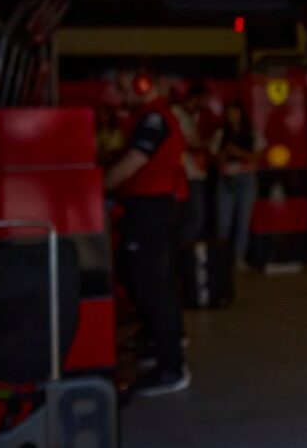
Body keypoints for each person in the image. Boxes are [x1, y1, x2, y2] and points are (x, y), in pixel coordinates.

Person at [104, 69, 191, 396]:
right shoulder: (147, 116)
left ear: (142, 86)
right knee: (148, 279)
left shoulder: (154, 119)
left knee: (152, 283)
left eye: (124, 86)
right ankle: (162, 345)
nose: (118, 92)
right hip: (151, 208)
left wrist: (97, 187)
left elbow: (134, 162)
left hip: (150, 209)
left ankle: (172, 367)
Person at [212, 99, 264, 272]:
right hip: (227, 178)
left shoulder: (253, 133)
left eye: (236, 112)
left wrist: (237, 152)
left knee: (243, 220)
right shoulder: (221, 134)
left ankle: (239, 256)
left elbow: (257, 156)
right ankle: (222, 257)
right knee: (223, 221)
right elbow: (215, 157)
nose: (233, 116)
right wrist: (224, 154)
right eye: (230, 112)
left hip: (247, 178)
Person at [171, 82, 212, 242]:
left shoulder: (195, 116)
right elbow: (181, 143)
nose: (206, 104)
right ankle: (181, 254)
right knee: (192, 216)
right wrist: (206, 144)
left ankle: (185, 256)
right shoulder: (176, 113)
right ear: (196, 98)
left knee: (195, 216)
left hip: (197, 172)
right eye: (205, 100)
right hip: (183, 174)